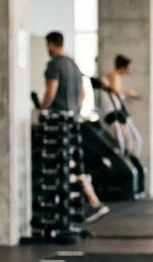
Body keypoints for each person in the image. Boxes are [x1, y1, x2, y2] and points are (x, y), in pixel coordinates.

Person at [40, 31, 109, 223]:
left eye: (47, 46)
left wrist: (41, 110)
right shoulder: (74, 65)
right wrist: (76, 111)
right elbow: (83, 93)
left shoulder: (54, 64)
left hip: (57, 122)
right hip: (72, 121)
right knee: (74, 163)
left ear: (51, 44)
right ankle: (93, 201)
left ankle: (89, 202)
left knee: (62, 165)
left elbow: (51, 90)